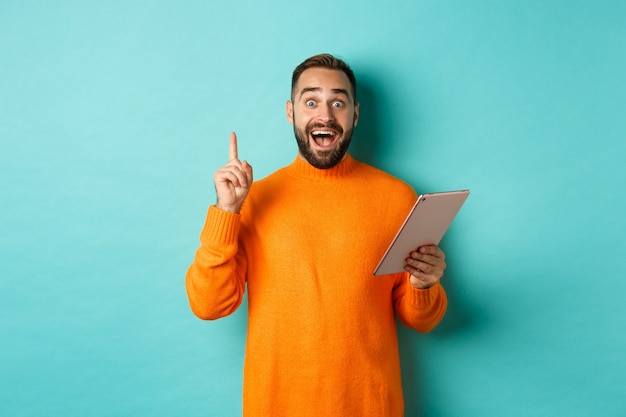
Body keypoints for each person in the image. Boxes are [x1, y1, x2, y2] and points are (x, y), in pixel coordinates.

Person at [186, 53, 448, 417]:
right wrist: (226, 211)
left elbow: (423, 319)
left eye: (337, 103)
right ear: (291, 112)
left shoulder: (399, 199)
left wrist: (423, 284)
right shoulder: (254, 199)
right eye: (311, 101)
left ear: (355, 114)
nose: (324, 115)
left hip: (371, 406)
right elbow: (209, 305)